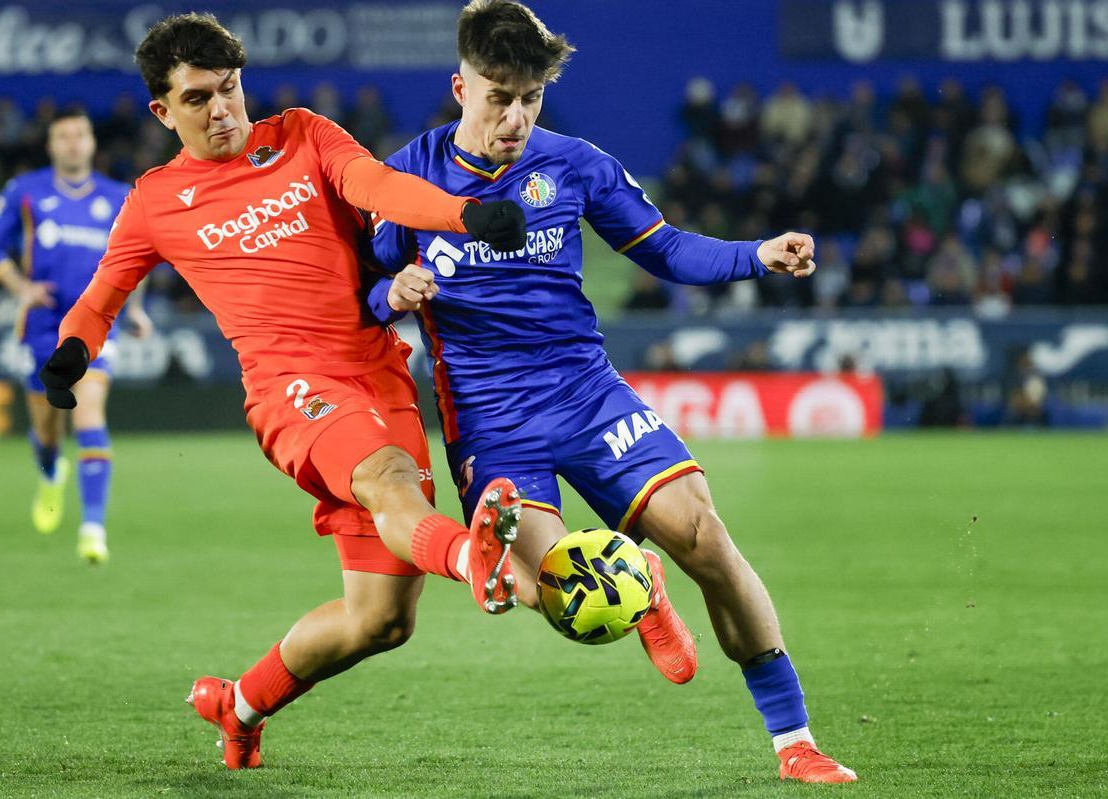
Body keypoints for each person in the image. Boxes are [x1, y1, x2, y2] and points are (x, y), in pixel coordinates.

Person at [364, 0, 856, 784]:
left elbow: (666, 250)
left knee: (705, 537)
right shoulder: (401, 180)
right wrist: (390, 296)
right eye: (500, 97)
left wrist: (755, 254)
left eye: (531, 97)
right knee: (551, 587)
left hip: (587, 393)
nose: (516, 117)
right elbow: (353, 293)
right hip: (493, 422)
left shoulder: (575, 164)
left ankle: (794, 739)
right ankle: (641, 583)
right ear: (460, 87)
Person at [37, 12, 531, 769]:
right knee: (389, 479)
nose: (223, 109)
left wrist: (464, 216)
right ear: (163, 112)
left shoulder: (303, 133)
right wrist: (71, 353)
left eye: (230, 89)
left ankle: (238, 705)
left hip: (375, 372)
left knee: (382, 620)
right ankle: (475, 558)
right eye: (199, 98)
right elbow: (105, 295)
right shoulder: (156, 201)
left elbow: (376, 185)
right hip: (289, 388)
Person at [0, 108, 152, 564]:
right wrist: (21, 287)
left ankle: (93, 529)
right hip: (41, 328)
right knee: (48, 430)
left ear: (92, 143)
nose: (73, 143)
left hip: (94, 326)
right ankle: (52, 473)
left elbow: (140, 255)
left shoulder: (118, 197)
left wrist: (134, 308)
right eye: (63, 136)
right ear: (51, 145)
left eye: (80, 135)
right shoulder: (25, 192)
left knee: (89, 413)